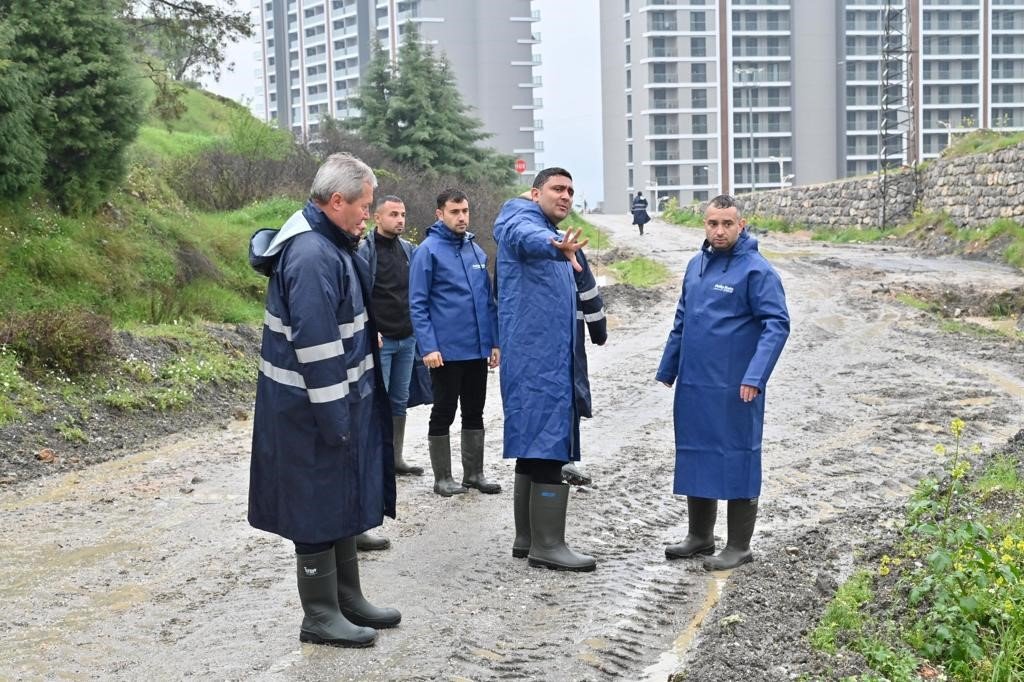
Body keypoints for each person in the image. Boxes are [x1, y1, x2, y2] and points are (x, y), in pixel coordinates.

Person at [247, 153, 400, 648]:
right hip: (309, 411)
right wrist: (338, 420)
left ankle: (346, 599)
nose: (367, 215)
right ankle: (319, 615)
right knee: (315, 507)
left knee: (337, 499)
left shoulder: (332, 243)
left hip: (334, 406)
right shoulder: (312, 255)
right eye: (364, 206)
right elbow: (316, 349)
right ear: (337, 201)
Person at [655, 194, 790, 571]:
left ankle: (739, 545)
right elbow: (682, 319)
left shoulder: (756, 270)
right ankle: (700, 536)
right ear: (705, 224)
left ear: (740, 225)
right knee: (697, 451)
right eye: (713, 223)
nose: (719, 230)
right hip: (695, 383)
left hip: (736, 386)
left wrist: (755, 376)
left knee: (737, 454)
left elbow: (776, 325)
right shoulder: (695, 266)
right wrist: (669, 368)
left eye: (727, 224)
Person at [493, 167, 595, 572]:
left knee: (533, 446)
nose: (566, 195)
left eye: (571, 189)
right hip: (538, 360)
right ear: (535, 194)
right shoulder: (522, 221)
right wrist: (556, 245)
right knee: (550, 443)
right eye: (557, 189)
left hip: (544, 356)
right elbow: (525, 237)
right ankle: (549, 545)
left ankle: (527, 537)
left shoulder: (542, 227)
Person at [409, 188, 501, 497]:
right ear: (440, 214)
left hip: (476, 349)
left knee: (475, 411)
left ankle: (474, 474)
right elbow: (418, 304)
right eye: (454, 212)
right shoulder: (428, 251)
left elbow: (488, 301)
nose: (461, 217)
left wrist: (493, 342)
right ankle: (443, 478)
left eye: (465, 211)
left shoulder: (476, 250)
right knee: (444, 411)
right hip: (444, 352)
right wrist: (428, 347)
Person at [351, 195, 425, 553]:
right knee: (375, 402)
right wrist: (371, 329)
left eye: (403, 214)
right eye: (393, 214)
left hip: (406, 335)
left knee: (399, 400)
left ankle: (395, 458)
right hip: (379, 339)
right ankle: (379, 460)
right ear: (377, 216)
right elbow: (362, 294)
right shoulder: (366, 250)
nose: (399, 219)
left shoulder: (409, 250)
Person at [560, 248, 607, 488]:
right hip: (568, 337)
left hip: (532, 341)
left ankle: (549, 462)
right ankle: (565, 459)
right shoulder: (567, 246)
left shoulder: (516, 246)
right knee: (570, 394)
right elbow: (588, 290)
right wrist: (599, 331)